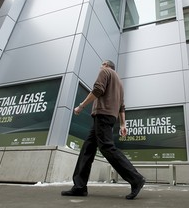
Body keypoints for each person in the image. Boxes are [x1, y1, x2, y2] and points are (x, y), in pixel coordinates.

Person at [61, 60, 145, 200]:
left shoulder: (104, 72)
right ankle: (79, 187)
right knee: (87, 149)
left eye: (101, 64)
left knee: (106, 147)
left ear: (106, 65)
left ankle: (136, 179)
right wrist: (123, 125)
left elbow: (98, 90)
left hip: (102, 115)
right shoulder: (119, 82)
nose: (100, 66)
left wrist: (81, 106)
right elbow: (122, 106)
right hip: (108, 117)